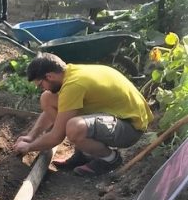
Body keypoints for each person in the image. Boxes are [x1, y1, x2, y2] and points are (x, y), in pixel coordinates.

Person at [13, 53, 153, 176]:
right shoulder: (70, 72)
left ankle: (110, 159)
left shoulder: (74, 85)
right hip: (116, 116)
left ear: (50, 76)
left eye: (41, 84)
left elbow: (56, 136)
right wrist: (30, 137)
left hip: (131, 128)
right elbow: (56, 110)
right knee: (47, 98)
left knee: (74, 128)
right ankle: (84, 154)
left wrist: (29, 147)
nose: (42, 88)